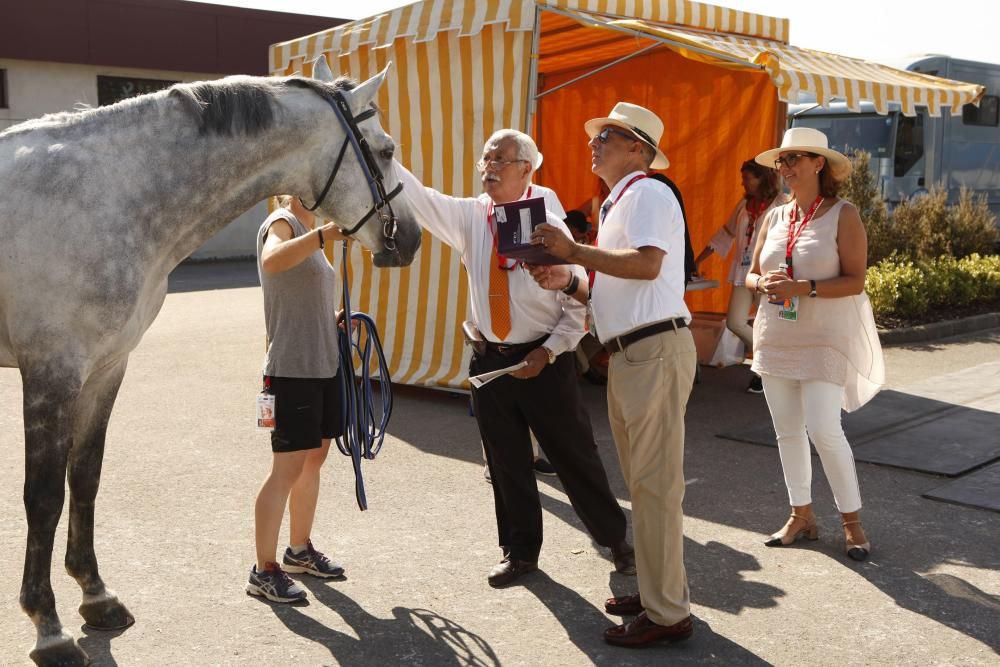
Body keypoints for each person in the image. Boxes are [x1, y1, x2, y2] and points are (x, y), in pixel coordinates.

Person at [393, 128, 635, 587]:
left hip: (545, 360)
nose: (489, 166)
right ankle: (520, 552)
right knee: (506, 463)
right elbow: (419, 198)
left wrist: (546, 353)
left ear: (527, 169)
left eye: (500, 159)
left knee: (573, 456)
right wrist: (375, 146)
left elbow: (580, 303)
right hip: (490, 361)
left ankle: (616, 540)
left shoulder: (550, 225)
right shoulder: (470, 215)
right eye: (485, 157)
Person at [531, 102, 697, 648]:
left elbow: (647, 264)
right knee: (647, 488)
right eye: (597, 135)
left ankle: (668, 612)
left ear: (639, 149)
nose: (594, 142)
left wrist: (574, 251)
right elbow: (616, 285)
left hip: (649, 351)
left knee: (653, 489)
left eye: (608, 135)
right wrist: (569, 280)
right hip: (634, 352)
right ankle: (658, 594)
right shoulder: (623, 199)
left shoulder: (646, 191)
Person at [745, 127, 884, 561]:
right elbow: (749, 274)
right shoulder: (774, 216)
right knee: (787, 431)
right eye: (781, 162)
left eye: (793, 160)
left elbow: (856, 280)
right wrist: (762, 283)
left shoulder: (844, 214)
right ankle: (801, 515)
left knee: (824, 429)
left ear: (818, 163)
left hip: (824, 337)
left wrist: (802, 286)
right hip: (775, 334)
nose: (784, 168)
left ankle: (853, 524)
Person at [246, 195, 349, 603]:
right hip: (292, 369)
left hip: (323, 364)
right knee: (286, 469)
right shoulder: (282, 221)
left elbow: (299, 295)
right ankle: (263, 569)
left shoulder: (310, 229)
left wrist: (333, 320)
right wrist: (322, 236)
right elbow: (272, 262)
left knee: (314, 459)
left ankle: (299, 550)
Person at [693, 160, 788, 393]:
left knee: (768, 323)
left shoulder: (781, 204)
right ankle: (770, 363)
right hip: (743, 273)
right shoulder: (744, 204)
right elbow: (724, 235)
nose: (743, 182)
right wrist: (697, 260)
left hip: (768, 274)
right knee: (735, 322)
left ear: (762, 177)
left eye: (748, 178)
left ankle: (763, 371)